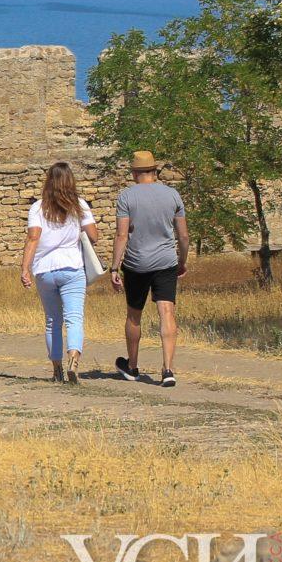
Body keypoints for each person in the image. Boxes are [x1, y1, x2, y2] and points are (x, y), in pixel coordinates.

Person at [109, 150, 189, 386]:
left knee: (134, 315)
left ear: (134, 173)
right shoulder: (172, 195)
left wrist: (114, 267)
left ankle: (132, 367)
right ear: (155, 171)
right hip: (166, 261)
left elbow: (122, 235)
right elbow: (183, 236)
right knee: (167, 313)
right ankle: (167, 370)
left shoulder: (126, 197)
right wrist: (182, 261)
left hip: (136, 263)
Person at [19, 161, 99, 384]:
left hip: (45, 269)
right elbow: (94, 236)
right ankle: (73, 358)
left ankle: (57, 369)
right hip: (72, 266)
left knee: (53, 320)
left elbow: (33, 238)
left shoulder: (38, 207)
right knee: (74, 318)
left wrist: (25, 268)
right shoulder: (79, 205)